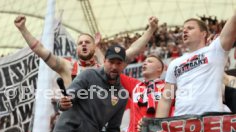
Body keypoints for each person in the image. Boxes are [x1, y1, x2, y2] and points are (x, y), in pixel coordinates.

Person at [14, 15, 158, 87]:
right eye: (80, 43)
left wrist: (151, 29)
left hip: (98, 126)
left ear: (94, 47)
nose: (83, 44)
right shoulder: (67, 67)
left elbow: (133, 50)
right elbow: (41, 50)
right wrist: (23, 29)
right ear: (76, 48)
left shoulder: (106, 67)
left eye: (87, 42)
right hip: (74, 126)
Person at [51, 45, 128, 132]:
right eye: (111, 62)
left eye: (118, 63)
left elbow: (113, 129)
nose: (114, 67)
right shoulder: (89, 75)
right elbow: (71, 94)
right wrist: (63, 103)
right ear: (104, 61)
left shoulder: (122, 95)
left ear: (123, 65)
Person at [156, 12, 236, 117]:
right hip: (181, 121)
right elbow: (166, 99)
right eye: (183, 29)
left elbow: (232, 23)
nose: (184, 31)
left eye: (190, 28)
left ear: (203, 34)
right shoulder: (174, 63)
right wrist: (158, 127)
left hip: (211, 118)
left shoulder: (215, 50)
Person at [120, 55, 173, 132]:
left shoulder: (169, 88)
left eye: (149, 62)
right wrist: (96, 49)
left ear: (160, 68)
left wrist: (152, 126)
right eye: (144, 62)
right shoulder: (135, 85)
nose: (144, 63)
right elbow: (113, 67)